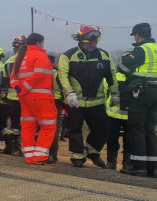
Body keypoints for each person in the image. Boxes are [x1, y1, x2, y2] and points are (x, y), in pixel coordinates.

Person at [57, 25, 117, 168]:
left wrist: (115, 93)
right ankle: (78, 156)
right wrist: (69, 93)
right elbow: (62, 76)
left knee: (102, 128)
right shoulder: (68, 56)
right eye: (89, 41)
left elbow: (111, 75)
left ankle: (92, 151)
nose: (92, 44)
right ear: (80, 41)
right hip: (75, 101)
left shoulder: (104, 55)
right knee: (75, 129)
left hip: (97, 102)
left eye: (95, 41)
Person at [10, 33, 58, 165]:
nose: (43, 45)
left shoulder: (20, 57)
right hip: (40, 96)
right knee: (48, 126)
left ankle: (30, 155)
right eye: (42, 43)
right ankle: (40, 156)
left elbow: (13, 77)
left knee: (28, 125)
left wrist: (20, 89)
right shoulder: (40, 55)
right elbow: (40, 74)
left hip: (24, 98)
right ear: (38, 43)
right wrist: (24, 88)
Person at [118, 23, 157, 177]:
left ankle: (138, 166)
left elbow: (122, 67)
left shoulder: (141, 50)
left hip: (141, 93)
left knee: (137, 128)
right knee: (151, 130)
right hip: (156, 94)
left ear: (137, 35)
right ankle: (153, 168)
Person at [0, 36, 27, 155]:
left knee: (14, 124)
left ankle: (14, 147)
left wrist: (4, 96)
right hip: (25, 97)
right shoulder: (26, 59)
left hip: (11, 97)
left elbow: (3, 82)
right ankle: (27, 148)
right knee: (27, 123)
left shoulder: (8, 61)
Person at [105, 72, 129, 171]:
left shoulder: (137, 76)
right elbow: (105, 92)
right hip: (112, 114)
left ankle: (127, 163)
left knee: (129, 141)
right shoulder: (114, 75)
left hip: (129, 115)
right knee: (111, 139)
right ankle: (111, 162)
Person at [48, 52, 64, 162]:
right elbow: (64, 89)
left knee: (41, 128)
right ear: (54, 62)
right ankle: (53, 154)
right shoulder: (57, 74)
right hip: (56, 103)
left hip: (41, 103)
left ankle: (40, 151)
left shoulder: (41, 73)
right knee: (55, 130)